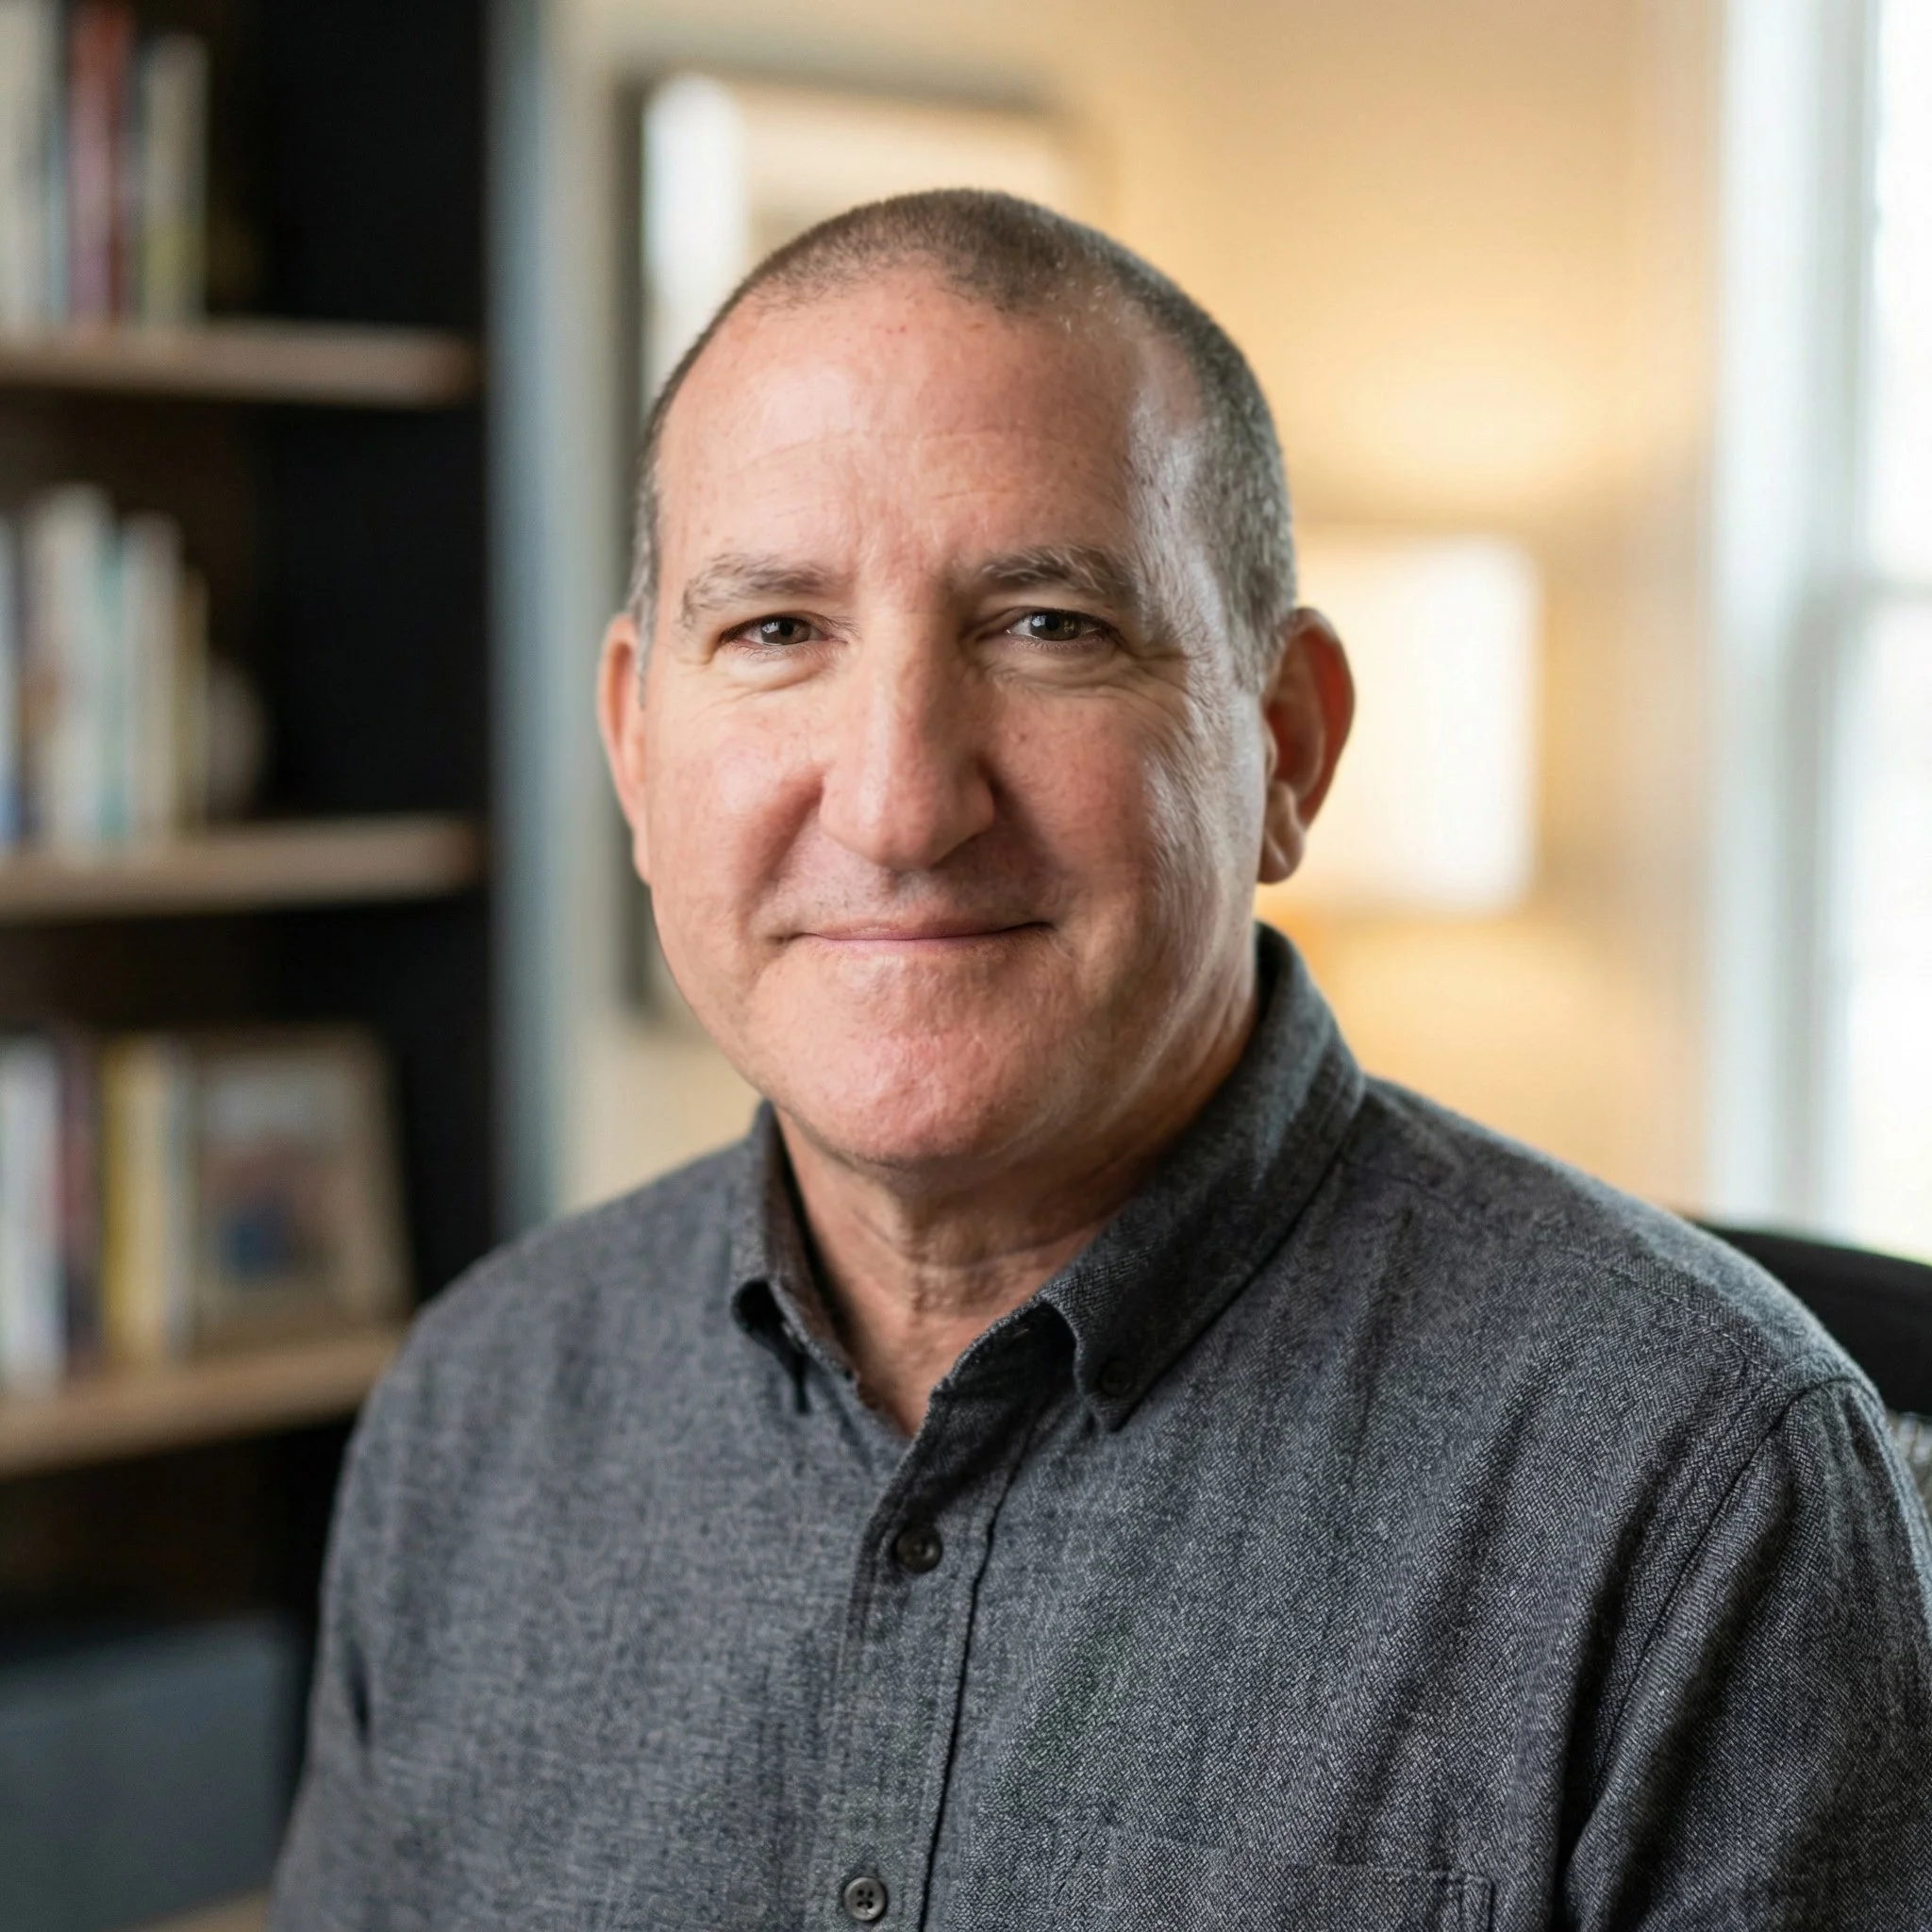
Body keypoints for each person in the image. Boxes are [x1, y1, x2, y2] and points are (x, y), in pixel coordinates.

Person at [272, 192, 1932, 1930]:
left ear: (1286, 745)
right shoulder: (473, 1416)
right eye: (776, 632)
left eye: (1048, 626)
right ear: (633, 743)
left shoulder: (1698, 1489)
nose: (903, 802)